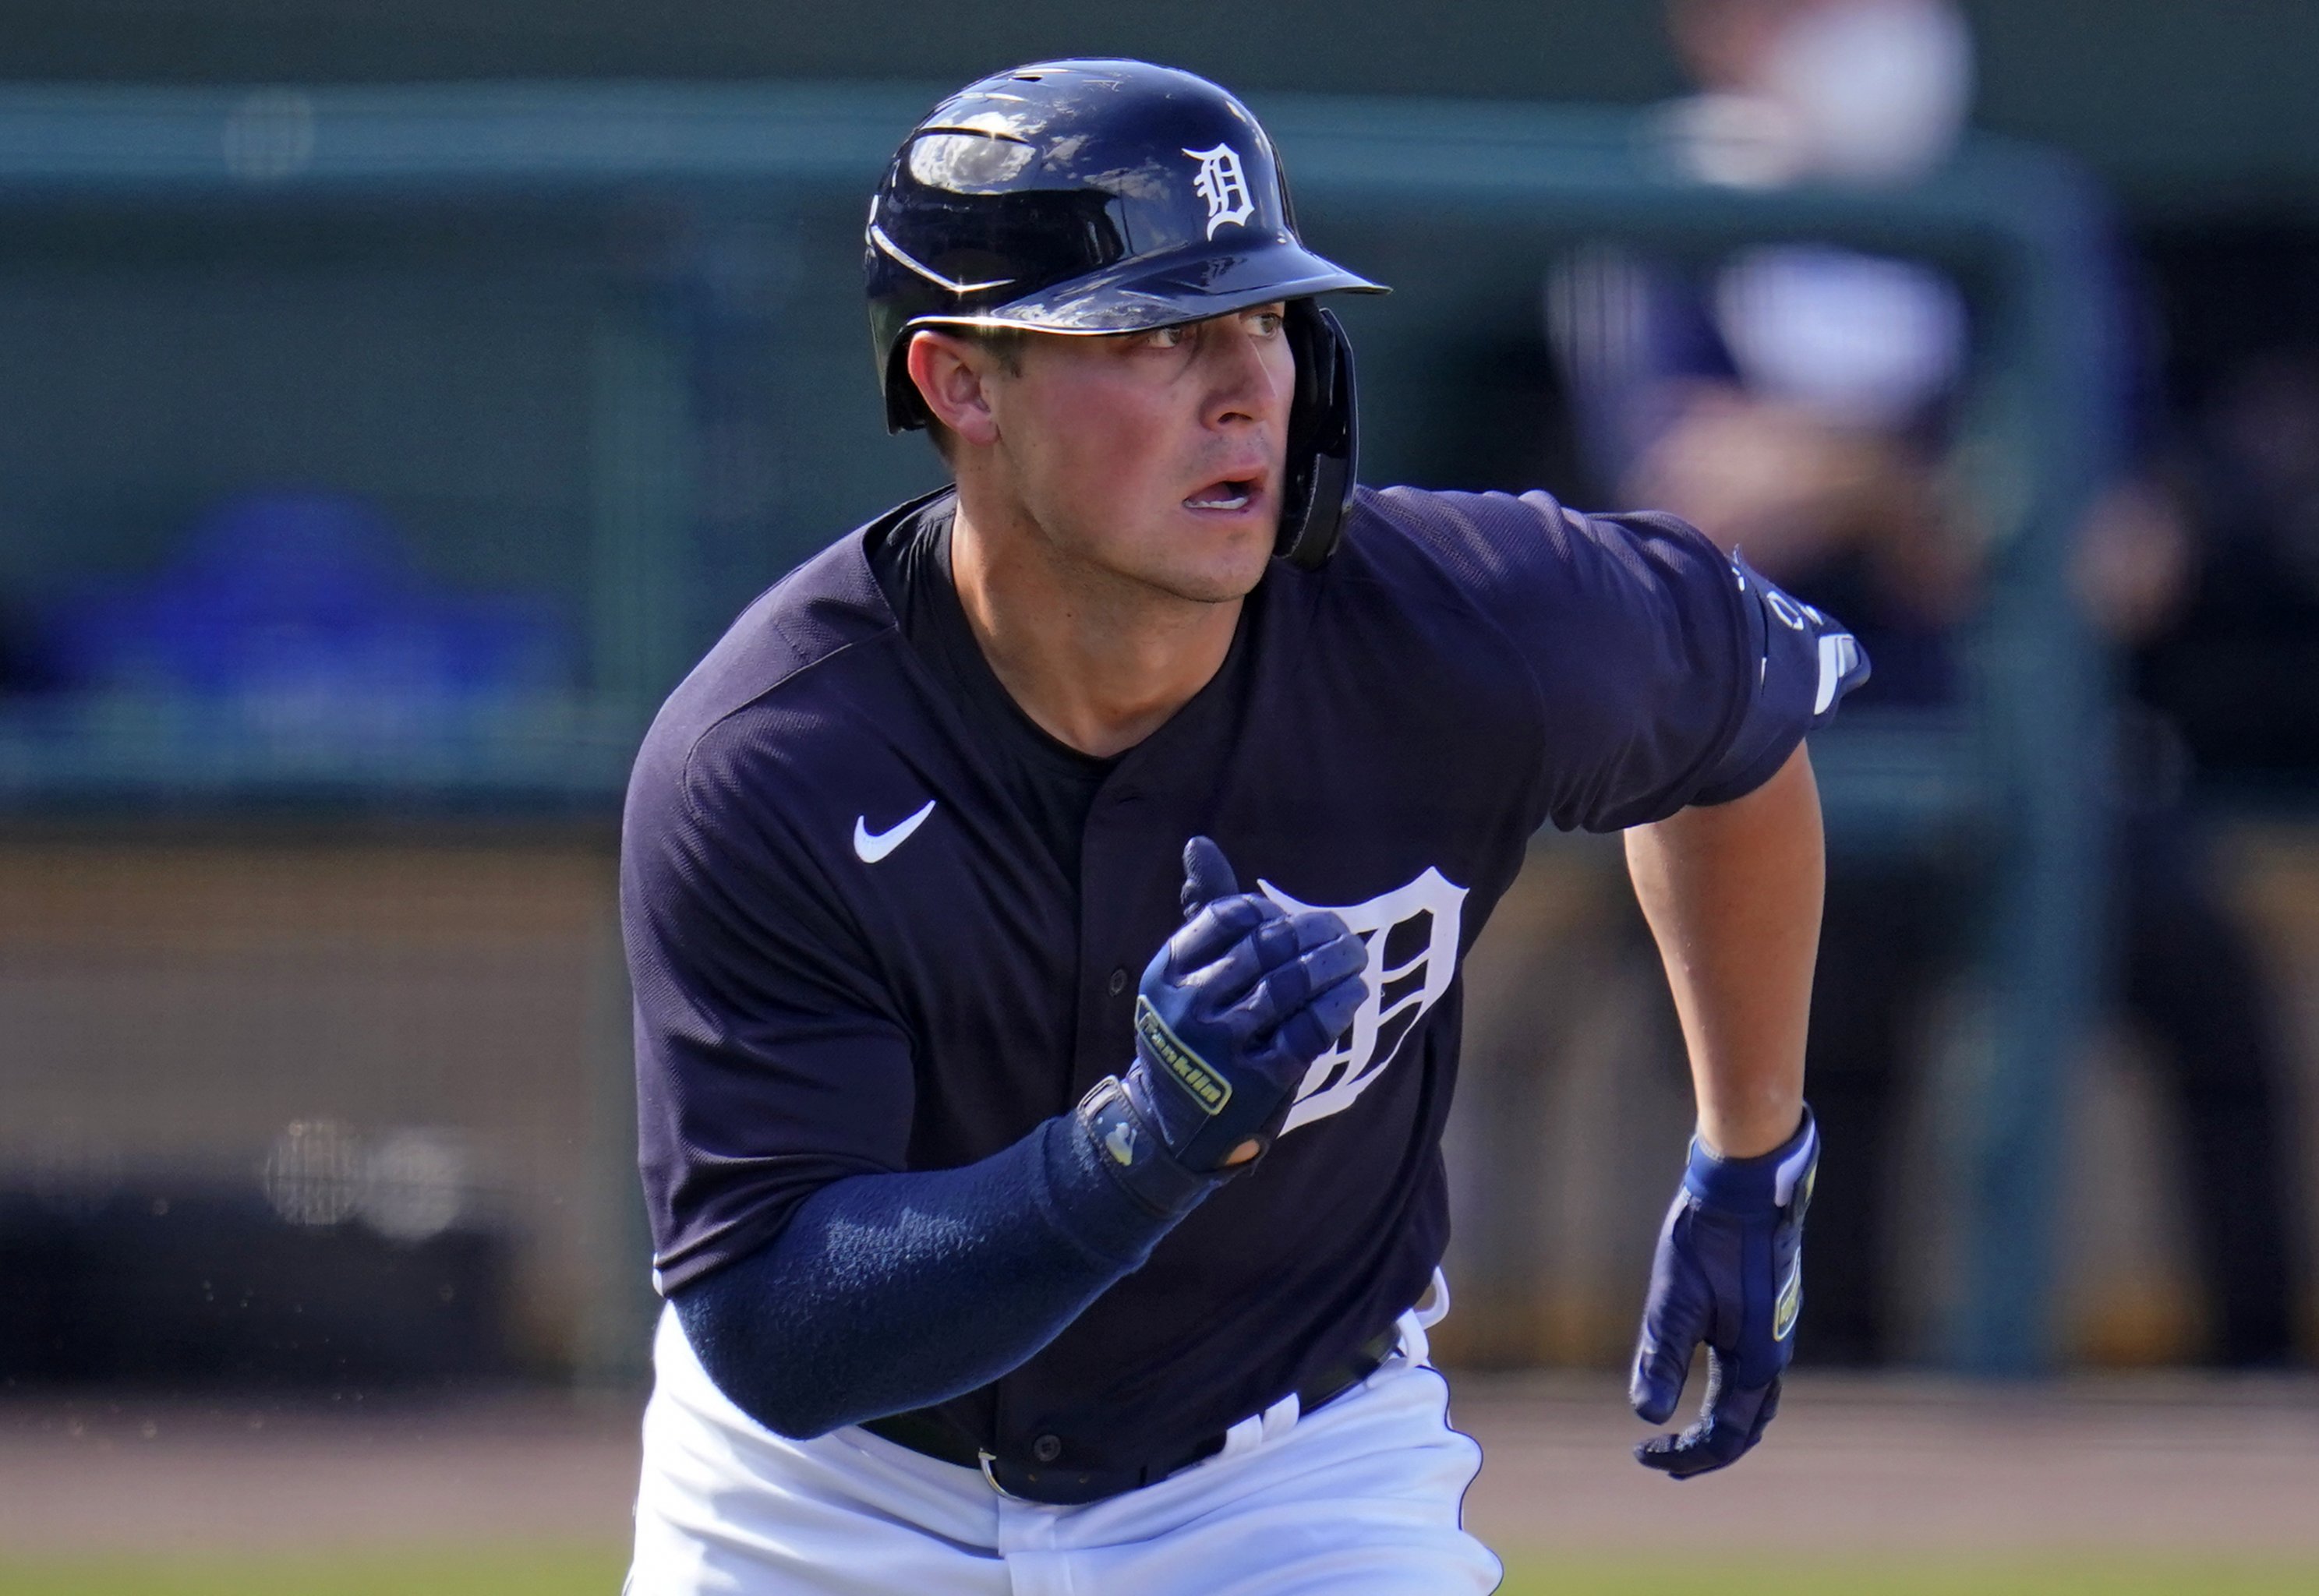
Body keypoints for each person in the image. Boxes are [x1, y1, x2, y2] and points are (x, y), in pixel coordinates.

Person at [620, 59, 1864, 1594]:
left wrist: (1753, 1152)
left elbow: (1739, 728)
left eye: (1264, 318)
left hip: (1289, 1467)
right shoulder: (773, 756)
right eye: (1153, 335)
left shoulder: (1475, 622)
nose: (1242, 386)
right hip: (836, 1495)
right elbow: (780, 1330)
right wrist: (1137, 1148)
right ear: (959, 383)